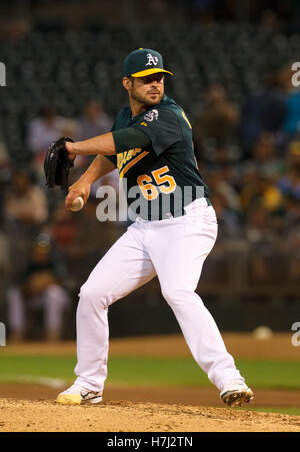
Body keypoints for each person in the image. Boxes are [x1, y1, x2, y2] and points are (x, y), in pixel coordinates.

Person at [55, 48, 253, 407]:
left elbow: (126, 141)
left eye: (159, 77)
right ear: (127, 83)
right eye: (147, 78)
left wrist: (73, 148)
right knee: (92, 294)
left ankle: (230, 378)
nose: (155, 83)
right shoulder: (125, 116)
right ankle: (89, 384)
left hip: (187, 221)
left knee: (177, 292)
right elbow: (113, 153)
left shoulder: (168, 115)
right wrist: (84, 182)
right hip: (146, 228)